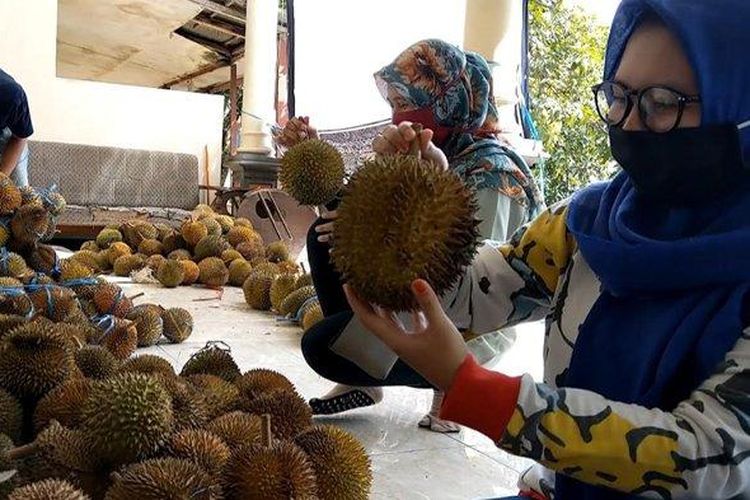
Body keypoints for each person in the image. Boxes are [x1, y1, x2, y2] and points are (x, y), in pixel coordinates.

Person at [343, 1, 750, 498]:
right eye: (618, 95)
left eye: (662, 103)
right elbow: (473, 291)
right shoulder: (587, 223)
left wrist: (475, 389)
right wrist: (417, 199)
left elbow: (710, 457)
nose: (630, 123)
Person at [285, 40, 544, 432]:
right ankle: (364, 381)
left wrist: (460, 381)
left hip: (469, 331)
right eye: (393, 104)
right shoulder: (426, 152)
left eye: (405, 102)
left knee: (322, 347)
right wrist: (310, 152)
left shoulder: (496, 176)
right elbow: (350, 208)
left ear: (447, 101)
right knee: (323, 241)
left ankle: (446, 387)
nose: (397, 115)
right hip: (413, 297)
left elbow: (472, 282)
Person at [0, 68, 33, 186]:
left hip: (7, 135)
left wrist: (1, 179)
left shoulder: (12, 94)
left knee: (19, 191)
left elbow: (19, 138)